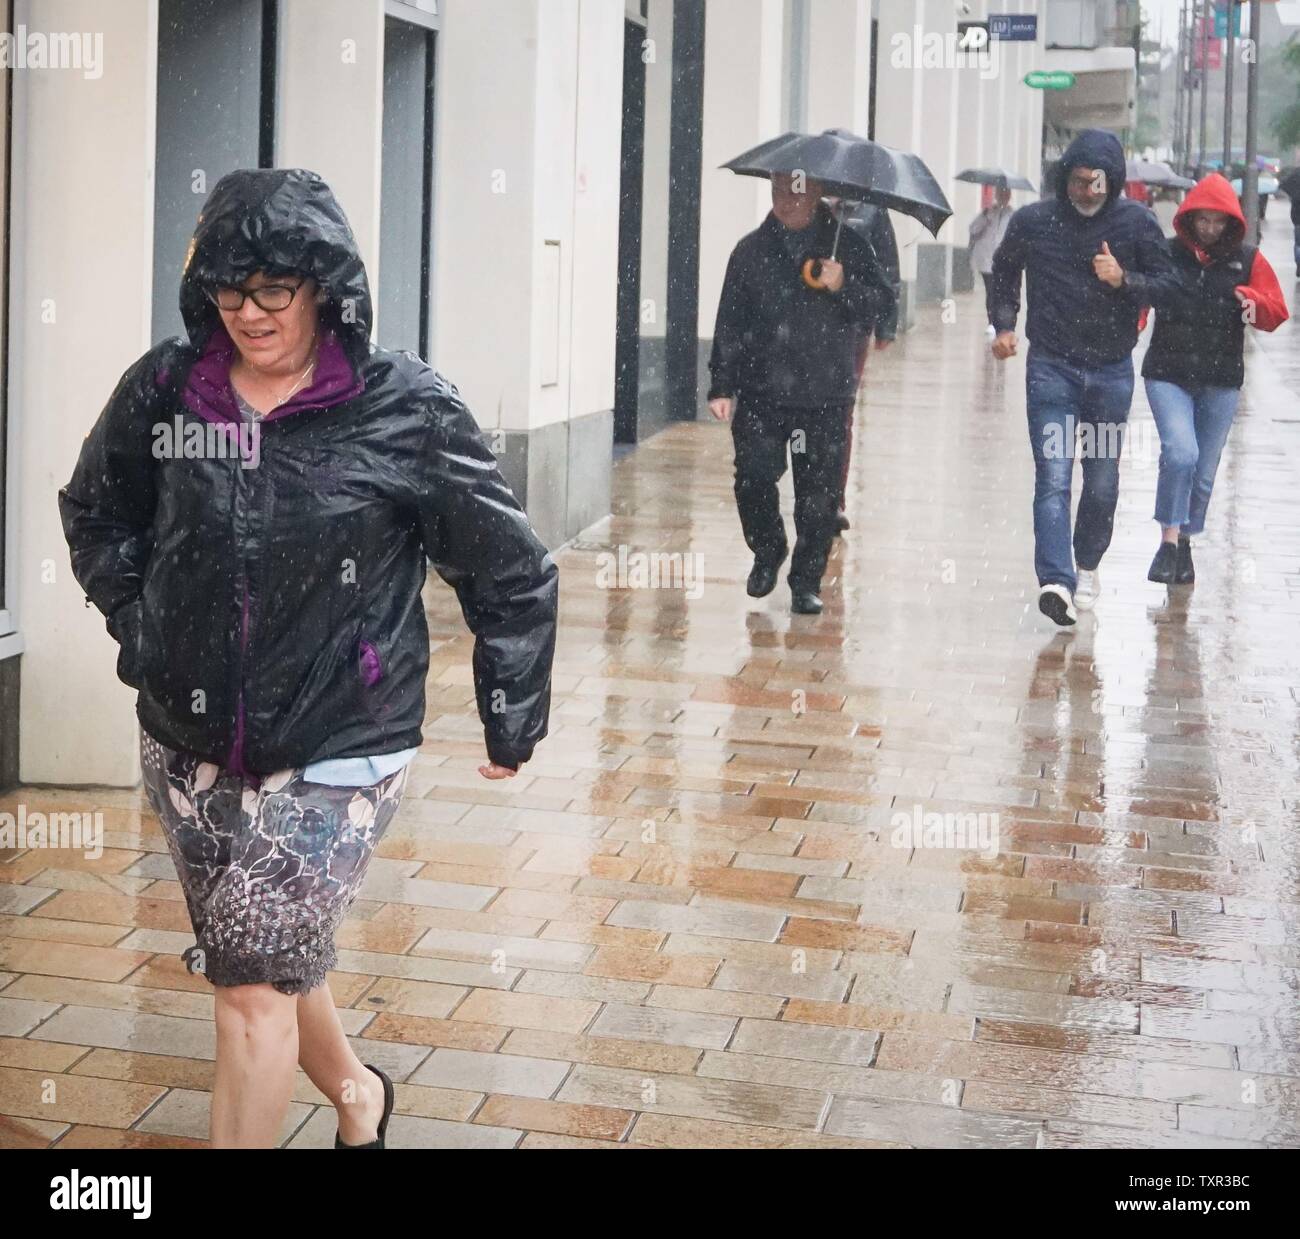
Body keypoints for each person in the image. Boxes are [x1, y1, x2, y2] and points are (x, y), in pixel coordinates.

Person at [59, 168, 559, 1149]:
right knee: (266, 957)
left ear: (327, 287)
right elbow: (96, 510)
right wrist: (142, 624)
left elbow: (510, 565)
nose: (248, 314)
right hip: (188, 734)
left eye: (273, 290)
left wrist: (512, 707)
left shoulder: (402, 407)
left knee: (247, 987)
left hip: (343, 738)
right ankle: (358, 1094)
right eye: (228, 291)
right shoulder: (167, 389)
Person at [989, 129, 1177, 627]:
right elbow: (1003, 271)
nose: (1086, 191)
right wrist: (1004, 325)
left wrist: (1125, 279)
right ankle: (1056, 579)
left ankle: (1087, 562)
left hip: (1111, 373)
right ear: (1064, 177)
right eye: (1077, 180)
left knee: (1101, 483)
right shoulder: (1034, 222)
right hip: (1051, 368)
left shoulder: (1136, 224)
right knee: (1053, 476)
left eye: (1096, 182)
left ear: (1112, 181)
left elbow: (1168, 286)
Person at [707, 172, 895, 614]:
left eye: (794, 192)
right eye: (777, 191)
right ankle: (768, 549)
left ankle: (806, 581)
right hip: (761, 390)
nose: (785, 201)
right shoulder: (750, 251)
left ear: (815, 194)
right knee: (752, 476)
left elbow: (882, 305)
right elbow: (729, 320)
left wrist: (843, 285)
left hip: (825, 391)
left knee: (819, 496)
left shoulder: (848, 247)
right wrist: (721, 384)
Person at [1140, 173, 1289, 584]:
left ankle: (1185, 540)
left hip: (1221, 380)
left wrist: (1253, 301)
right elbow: (1144, 294)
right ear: (1189, 218)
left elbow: (1276, 313)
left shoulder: (1248, 260)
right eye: (1201, 220)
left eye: (1216, 221)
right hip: (1167, 374)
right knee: (1181, 453)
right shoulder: (1166, 254)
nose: (1208, 229)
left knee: (1204, 473)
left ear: (1230, 222)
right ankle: (1168, 542)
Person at [835, 200, 901, 533]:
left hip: (852, 324)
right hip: (803, 326)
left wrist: (887, 324)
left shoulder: (872, 209)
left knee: (841, 410)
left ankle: (833, 499)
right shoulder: (802, 204)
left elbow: (888, 269)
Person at [968, 185, 1015, 336]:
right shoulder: (988, 212)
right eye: (1001, 192)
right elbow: (973, 229)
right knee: (992, 291)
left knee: (1003, 292)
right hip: (986, 259)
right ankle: (991, 322)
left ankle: (1003, 323)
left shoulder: (1013, 215)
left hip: (1005, 260)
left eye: (1006, 193)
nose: (1003, 196)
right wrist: (985, 217)